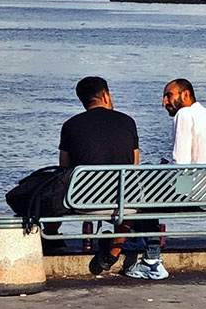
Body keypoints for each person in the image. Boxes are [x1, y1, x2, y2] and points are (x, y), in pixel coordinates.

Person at [123, 78, 206, 280]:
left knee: (141, 192)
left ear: (186, 95)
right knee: (150, 183)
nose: (164, 102)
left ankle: (152, 260)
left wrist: (161, 171)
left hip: (196, 196)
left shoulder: (183, 114)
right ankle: (141, 239)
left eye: (169, 95)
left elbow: (181, 165)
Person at [51, 76, 140, 274]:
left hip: (82, 203)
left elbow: (64, 169)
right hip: (123, 203)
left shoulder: (70, 125)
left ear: (83, 101)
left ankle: (51, 238)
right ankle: (112, 253)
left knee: (54, 186)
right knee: (131, 195)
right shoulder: (128, 122)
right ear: (106, 95)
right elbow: (134, 165)